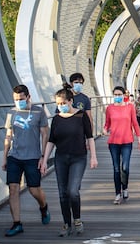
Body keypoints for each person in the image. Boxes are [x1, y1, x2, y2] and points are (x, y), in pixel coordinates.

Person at [41, 85, 98, 236]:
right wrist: (45, 160)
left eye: (63, 103)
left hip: (78, 157)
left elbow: (90, 137)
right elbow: (51, 141)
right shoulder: (57, 119)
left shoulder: (81, 116)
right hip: (61, 158)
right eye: (58, 104)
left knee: (73, 191)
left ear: (70, 101)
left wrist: (93, 156)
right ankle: (67, 223)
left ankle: (77, 219)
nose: (61, 107)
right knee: (62, 193)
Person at [2, 84, 50, 237]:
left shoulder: (38, 112)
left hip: (32, 156)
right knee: (13, 188)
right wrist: (4, 157)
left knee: (33, 188)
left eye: (21, 99)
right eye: (16, 99)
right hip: (14, 156)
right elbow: (8, 135)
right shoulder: (11, 113)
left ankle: (43, 207)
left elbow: (45, 135)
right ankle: (17, 223)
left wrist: (43, 157)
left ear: (28, 97)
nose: (18, 102)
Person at [104, 86, 140, 204]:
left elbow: (135, 123)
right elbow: (107, 123)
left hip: (127, 141)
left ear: (123, 95)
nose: (117, 97)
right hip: (113, 142)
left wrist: (139, 139)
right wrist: (105, 129)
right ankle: (117, 193)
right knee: (116, 169)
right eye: (115, 95)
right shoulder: (109, 108)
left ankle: (125, 187)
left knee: (125, 167)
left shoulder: (130, 107)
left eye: (119, 94)